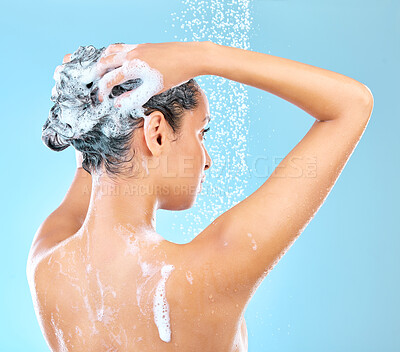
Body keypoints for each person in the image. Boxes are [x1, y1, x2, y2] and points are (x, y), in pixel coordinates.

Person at [26, 41, 373, 352]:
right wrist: (203, 55)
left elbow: (91, 161)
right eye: (201, 131)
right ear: (157, 133)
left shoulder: (46, 264)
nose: (207, 159)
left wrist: (89, 103)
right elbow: (351, 105)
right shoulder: (208, 271)